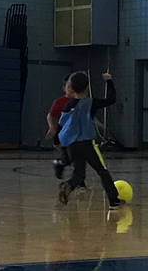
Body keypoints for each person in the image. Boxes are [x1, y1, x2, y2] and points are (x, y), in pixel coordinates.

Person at [56, 71, 122, 209]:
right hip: (87, 144)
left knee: (79, 175)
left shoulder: (68, 105)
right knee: (102, 170)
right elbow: (111, 99)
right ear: (87, 87)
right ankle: (114, 201)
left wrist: (57, 142)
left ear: (72, 88)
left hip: (72, 145)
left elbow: (61, 125)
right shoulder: (91, 103)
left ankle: (69, 185)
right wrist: (109, 81)